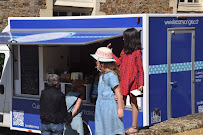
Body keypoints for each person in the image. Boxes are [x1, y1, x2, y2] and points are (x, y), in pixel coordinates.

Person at [108, 28, 144, 134]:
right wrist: (111, 54)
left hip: (133, 81)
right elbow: (119, 62)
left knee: (133, 103)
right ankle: (119, 126)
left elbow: (140, 68)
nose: (123, 39)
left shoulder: (137, 52)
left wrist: (141, 83)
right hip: (123, 80)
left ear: (130, 39)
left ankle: (134, 126)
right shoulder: (124, 51)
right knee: (121, 103)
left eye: (125, 37)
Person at [91, 47, 125, 135]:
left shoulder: (111, 75)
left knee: (109, 129)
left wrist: (120, 109)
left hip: (109, 107)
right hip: (101, 105)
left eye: (96, 61)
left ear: (101, 62)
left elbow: (118, 93)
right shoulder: (102, 74)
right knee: (101, 129)